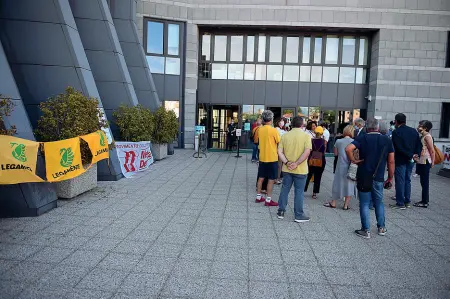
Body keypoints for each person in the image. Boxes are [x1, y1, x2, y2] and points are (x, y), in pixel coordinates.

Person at [345, 118, 394, 239]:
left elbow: (348, 148)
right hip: (378, 176)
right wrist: (390, 178)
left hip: (364, 175)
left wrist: (354, 160)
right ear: (377, 127)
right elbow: (391, 161)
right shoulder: (386, 140)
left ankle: (365, 230)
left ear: (367, 127)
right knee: (379, 202)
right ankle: (381, 227)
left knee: (365, 203)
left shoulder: (363, 137)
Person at [277, 116, 312, 222]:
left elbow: (279, 152)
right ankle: (298, 214)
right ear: (302, 125)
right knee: (299, 192)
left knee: (285, 189)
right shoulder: (306, 136)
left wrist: (287, 162)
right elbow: (307, 152)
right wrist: (296, 163)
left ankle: (281, 211)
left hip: (287, 168)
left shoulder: (285, 136)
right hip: (300, 169)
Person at [390, 113, 421, 210]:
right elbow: (419, 145)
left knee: (400, 181)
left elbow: (398, 148)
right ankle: (407, 201)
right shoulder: (413, 131)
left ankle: (400, 203)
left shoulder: (396, 132)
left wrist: (411, 154)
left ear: (396, 121)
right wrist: (416, 154)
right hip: (411, 159)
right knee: (407, 180)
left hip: (401, 159)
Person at [325, 125, 355, 210]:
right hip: (350, 166)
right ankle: (345, 205)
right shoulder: (354, 141)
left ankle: (333, 202)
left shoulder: (338, 141)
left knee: (337, 183)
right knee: (349, 184)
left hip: (340, 165)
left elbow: (336, 154)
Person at [255, 110, 280, 207]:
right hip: (272, 158)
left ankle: (258, 197)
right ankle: (268, 200)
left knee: (261, 178)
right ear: (271, 119)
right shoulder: (274, 130)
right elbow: (278, 141)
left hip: (262, 157)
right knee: (271, 179)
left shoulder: (260, 129)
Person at [413, 120, 435, 208]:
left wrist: (432, 162)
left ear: (425, 128)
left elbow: (432, 150)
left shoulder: (427, 137)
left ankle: (425, 201)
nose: (418, 127)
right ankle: (424, 200)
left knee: (425, 182)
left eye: (420, 125)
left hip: (426, 161)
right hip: (422, 161)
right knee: (423, 182)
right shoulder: (423, 136)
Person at [304, 126, 326, 199]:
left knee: (308, 175)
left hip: (311, 159)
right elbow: (324, 151)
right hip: (321, 160)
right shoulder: (324, 141)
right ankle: (314, 193)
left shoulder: (311, 140)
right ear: (322, 133)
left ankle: (303, 189)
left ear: (315, 132)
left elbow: (309, 150)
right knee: (318, 177)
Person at [275, 118, 287, 184]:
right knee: (279, 164)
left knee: (281, 164)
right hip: (278, 148)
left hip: (283, 148)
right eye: (281, 121)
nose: (282, 122)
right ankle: (277, 178)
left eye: (283, 121)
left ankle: (279, 177)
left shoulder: (284, 129)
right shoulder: (277, 129)